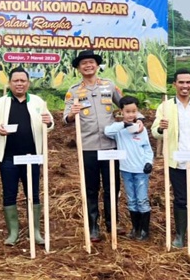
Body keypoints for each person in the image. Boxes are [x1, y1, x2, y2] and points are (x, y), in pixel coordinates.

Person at [0, 67, 53, 246]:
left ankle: (35, 231)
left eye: (23, 80)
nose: (20, 84)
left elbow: (50, 123)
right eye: (16, 81)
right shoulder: (1, 103)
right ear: (10, 83)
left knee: (34, 193)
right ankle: (13, 232)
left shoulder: (38, 102)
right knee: (9, 193)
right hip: (8, 158)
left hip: (32, 157)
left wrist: (49, 122)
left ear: (28, 83)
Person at [151, 68, 190, 251]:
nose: (185, 86)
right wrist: (161, 128)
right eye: (181, 82)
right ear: (175, 85)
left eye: (188, 82)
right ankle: (180, 235)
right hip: (177, 161)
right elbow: (155, 131)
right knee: (180, 200)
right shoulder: (165, 107)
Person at [64, 50, 124, 242]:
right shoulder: (74, 91)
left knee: (112, 186)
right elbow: (65, 119)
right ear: (79, 68)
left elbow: (125, 104)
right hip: (88, 146)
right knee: (91, 188)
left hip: (110, 146)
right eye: (84, 64)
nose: (88, 66)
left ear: (96, 66)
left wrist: (136, 119)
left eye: (91, 62)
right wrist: (72, 113)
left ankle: (112, 223)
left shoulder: (109, 85)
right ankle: (93, 226)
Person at [104, 96, 153, 241]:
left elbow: (147, 148)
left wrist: (148, 162)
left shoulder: (141, 129)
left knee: (142, 199)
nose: (131, 115)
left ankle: (144, 230)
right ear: (122, 112)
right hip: (126, 169)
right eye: (127, 111)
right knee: (131, 199)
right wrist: (123, 125)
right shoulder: (119, 130)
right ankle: (135, 228)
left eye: (134, 111)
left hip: (141, 171)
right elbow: (107, 131)